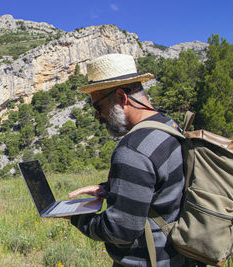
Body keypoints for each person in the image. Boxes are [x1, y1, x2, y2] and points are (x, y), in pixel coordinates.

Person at [65, 54, 203, 266]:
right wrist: (111, 188)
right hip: (181, 257)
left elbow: (119, 230)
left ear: (121, 97)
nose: (97, 117)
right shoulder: (169, 126)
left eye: (98, 107)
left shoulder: (132, 149)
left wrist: (74, 216)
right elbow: (161, 184)